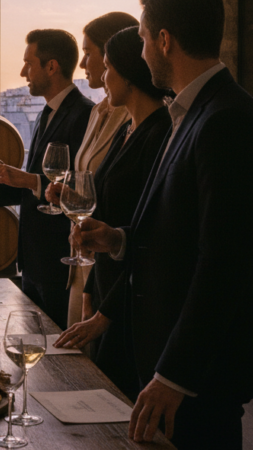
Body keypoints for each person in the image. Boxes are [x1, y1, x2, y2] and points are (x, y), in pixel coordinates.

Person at [73, 0, 253, 448]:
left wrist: (175, 376)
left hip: (201, 372)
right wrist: (117, 238)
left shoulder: (226, 120)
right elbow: (180, 232)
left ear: (164, 41)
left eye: (143, 39)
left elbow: (223, 262)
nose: (140, 53)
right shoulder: (195, 111)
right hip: (175, 357)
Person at [49, 26, 173, 400]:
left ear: (128, 73)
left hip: (130, 304)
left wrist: (105, 310)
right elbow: (109, 215)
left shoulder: (159, 134)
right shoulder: (128, 131)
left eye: (107, 68)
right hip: (108, 290)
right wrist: (91, 289)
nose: (102, 78)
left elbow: (152, 237)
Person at [0, 29, 94, 328]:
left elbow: (79, 190)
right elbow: (34, 186)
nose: (22, 72)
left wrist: (29, 180)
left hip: (58, 264)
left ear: (51, 67)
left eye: (28, 63)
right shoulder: (47, 113)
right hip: (33, 262)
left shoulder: (84, 115)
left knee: (58, 361)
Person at [62, 12, 139, 327]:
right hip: (85, 255)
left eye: (89, 53)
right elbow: (89, 183)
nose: (82, 64)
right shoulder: (98, 111)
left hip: (110, 263)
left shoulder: (133, 120)